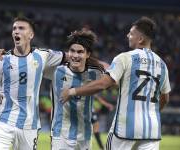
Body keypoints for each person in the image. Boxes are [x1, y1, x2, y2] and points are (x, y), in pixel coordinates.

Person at [61, 17, 171, 150]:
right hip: (151, 129)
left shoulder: (125, 58)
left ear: (140, 39)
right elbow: (165, 98)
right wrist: (150, 112)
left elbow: (103, 84)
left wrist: (73, 91)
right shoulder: (162, 65)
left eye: (131, 33)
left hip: (125, 128)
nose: (127, 35)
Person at [0, 16, 66, 150]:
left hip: (30, 126)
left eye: (21, 28)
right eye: (14, 28)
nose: (16, 31)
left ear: (31, 35)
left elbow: (74, 57)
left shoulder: (43, 55)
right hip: (3, 122)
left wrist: (100, 66)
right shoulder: (1, 59)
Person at [43, 29, 105, 150]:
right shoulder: (57, 70)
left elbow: (111, 78)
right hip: (61, 135)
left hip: (85, 137)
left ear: (88, 54)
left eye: (80, 52)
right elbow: (31, 60)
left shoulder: (96, 73)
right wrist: (6, 54)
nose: (75, 55)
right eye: (72, 51)